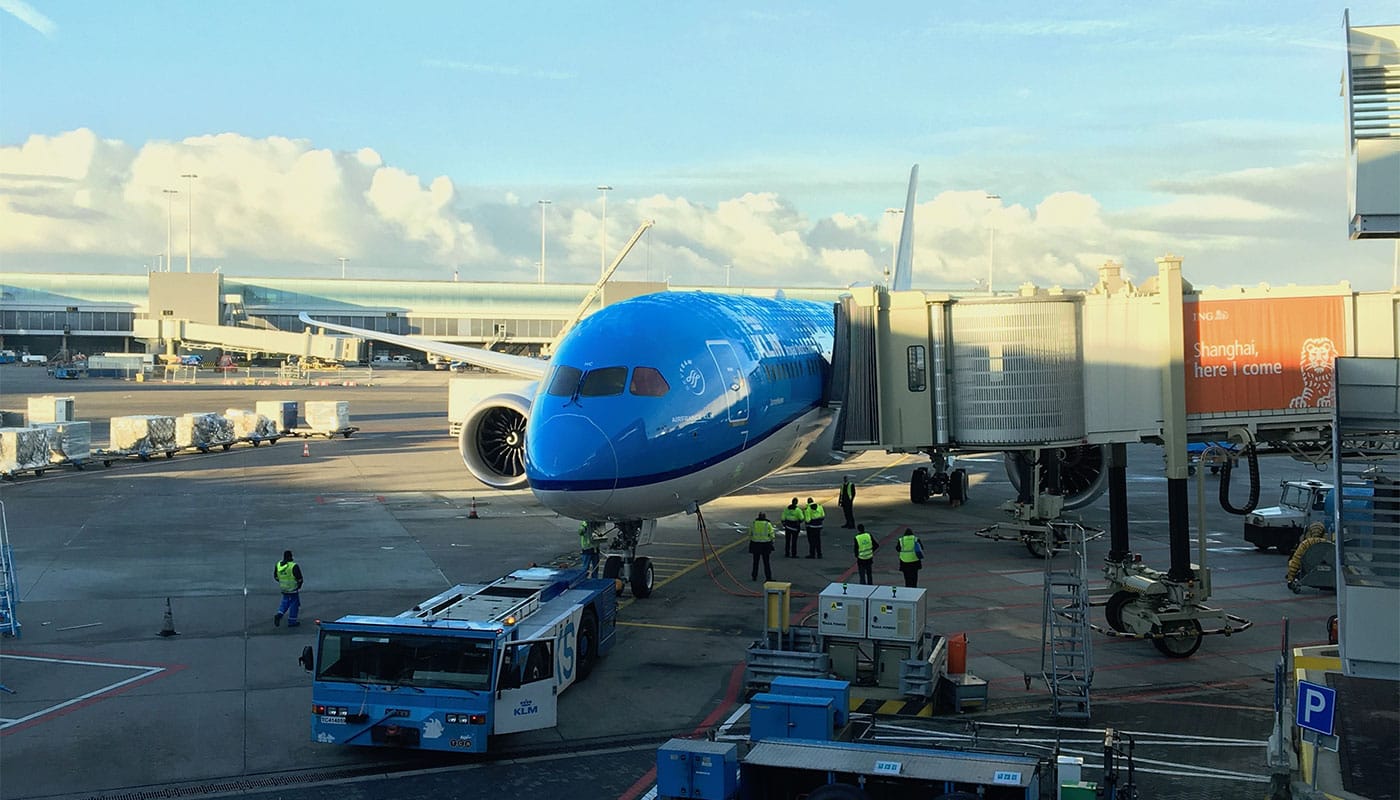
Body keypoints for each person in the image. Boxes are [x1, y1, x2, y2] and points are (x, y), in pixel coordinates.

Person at [274, 550, 303, 627]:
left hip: (284, 589)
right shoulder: (293, 566)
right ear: (291, 557)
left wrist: (282, 582)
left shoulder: (278, 565)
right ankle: (292, 621)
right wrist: (299, 585)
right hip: (293, 589)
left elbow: (276, 577)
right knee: (294, 604)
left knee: (285, 602)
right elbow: (300, 578)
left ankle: (279, 614)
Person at [749, 511, 776, 582]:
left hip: (755, 544)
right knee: (766, 562)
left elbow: (750, 533)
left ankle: (754, 576)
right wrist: (772, 541)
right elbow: (772, 534)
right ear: (765, 517)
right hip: (765, 544)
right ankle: (768, 577)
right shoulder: (767, 524)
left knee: (755, 561)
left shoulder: (754, 523)